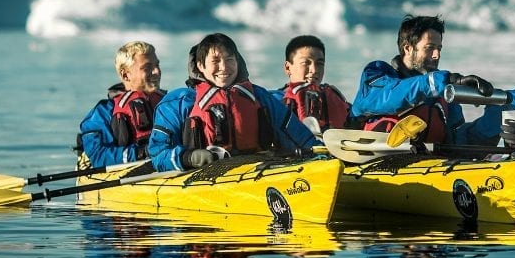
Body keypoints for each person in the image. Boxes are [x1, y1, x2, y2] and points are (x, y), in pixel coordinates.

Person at [146, 32, 321, 171]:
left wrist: (323, 156)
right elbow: (158, 154)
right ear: (200, 65)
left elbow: (303, 140)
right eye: (215, 61)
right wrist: (189, 157)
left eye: (229, 60)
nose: (224, 67)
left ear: (237, 62)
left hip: (255, 171)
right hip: (201, 177)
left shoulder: (260, 97)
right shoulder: (178, 103)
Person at [350, 14, 501, 145]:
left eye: (439, 48)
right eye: (429, 48)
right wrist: (444, 81)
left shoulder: (441, 92)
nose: (437, 55)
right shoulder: (376, 74)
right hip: (371, 166)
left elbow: (456, 141)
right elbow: (391, 96)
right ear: (407, 48)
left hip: (429, 167)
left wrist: (495, 123)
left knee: (496, 117)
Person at [77, 40, 165, 168]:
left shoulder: (171, 102)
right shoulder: (104, 112)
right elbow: (99, 156)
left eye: (157, 65)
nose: (156, 71)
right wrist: (142, 153)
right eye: (147, 68)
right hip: (127, 173)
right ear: (125, 75)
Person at [275, 34, 351, 132]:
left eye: (319, 63)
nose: (314, 70)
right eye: (305, 63)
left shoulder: (334, 97)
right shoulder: (274, 103)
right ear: (288, 68)